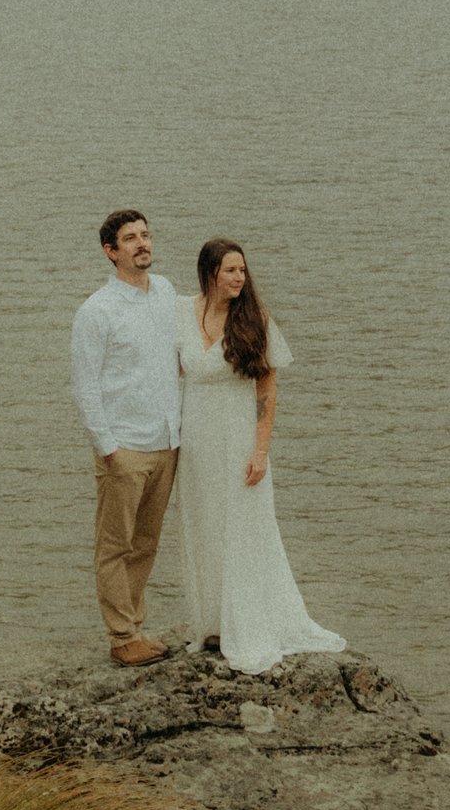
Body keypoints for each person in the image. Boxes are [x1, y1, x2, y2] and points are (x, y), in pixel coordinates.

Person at [171, 237, 344, 674]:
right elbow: (173, 372)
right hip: (195, 443)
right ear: (209, 273)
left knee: (244, 530)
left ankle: (247, 625)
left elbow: (266, 390)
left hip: (238, 441)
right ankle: (212, 622)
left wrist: (260, 451)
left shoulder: (254, 320)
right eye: (230, 270)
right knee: (204, 526)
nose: (239, 278)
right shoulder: (181, 312)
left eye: (242, 271)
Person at [70, 208, 183, 666]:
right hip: (124, 448)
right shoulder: (96, 311)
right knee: (115, 545)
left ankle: (135, 626)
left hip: (166, 440)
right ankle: (121, 638)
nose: (142, 244)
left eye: (146, 235)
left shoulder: (167, 292)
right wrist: (108, 447)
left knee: (147, 543)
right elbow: (85, 384)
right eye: (130, 238)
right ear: (110, 252)